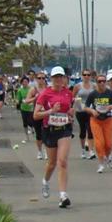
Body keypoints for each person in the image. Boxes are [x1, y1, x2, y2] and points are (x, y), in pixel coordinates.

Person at [33, 66, 75, 208]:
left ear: (64, 78)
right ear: (51, 79)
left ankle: (63, 195)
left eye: (60, 77)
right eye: (55, 77)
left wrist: (70, 113)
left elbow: (69, 110)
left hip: (64, 130)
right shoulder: (45, 94)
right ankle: (45, 181)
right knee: (51, 164)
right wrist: (51, 111)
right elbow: (36, 115)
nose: (58, 80)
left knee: (62, 161)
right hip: (49, 130)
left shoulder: (68, 93)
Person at [84, 74, 112, 173]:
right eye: (99, 81)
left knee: (108, 144)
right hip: (96, 120)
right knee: (99, 143)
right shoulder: (93, 94)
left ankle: (107, 156)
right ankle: (101, 163)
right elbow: (85, 107)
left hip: (107, 119)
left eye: (103, 81)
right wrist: (92, 111)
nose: (102, 83)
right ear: (96, 83)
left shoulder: (110, 93)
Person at [73, 69, 96, 160]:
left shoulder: (94, 86)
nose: (86, 76)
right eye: (85, 75)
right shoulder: (77, 86)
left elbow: (97, 96)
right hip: (80, 110)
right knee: (83, 129)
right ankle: (83, 150)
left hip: (90, 110)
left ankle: (90, 150)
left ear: (90, 76)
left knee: (90, 129)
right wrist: (75, 102)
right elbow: (72, 97)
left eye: (88, 75)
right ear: (82, 76)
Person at [25, 72, 48, 159]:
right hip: (37, 113)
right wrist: (35, 97)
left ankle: (46, 151)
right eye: (39, 78)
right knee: (38, 134)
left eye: (43, 78)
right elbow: (26, 101)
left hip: (46, 113)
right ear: (36, 79)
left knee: (46, 132)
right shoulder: (33, 89)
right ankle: (39, 151)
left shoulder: (48, 89)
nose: (41, 80)